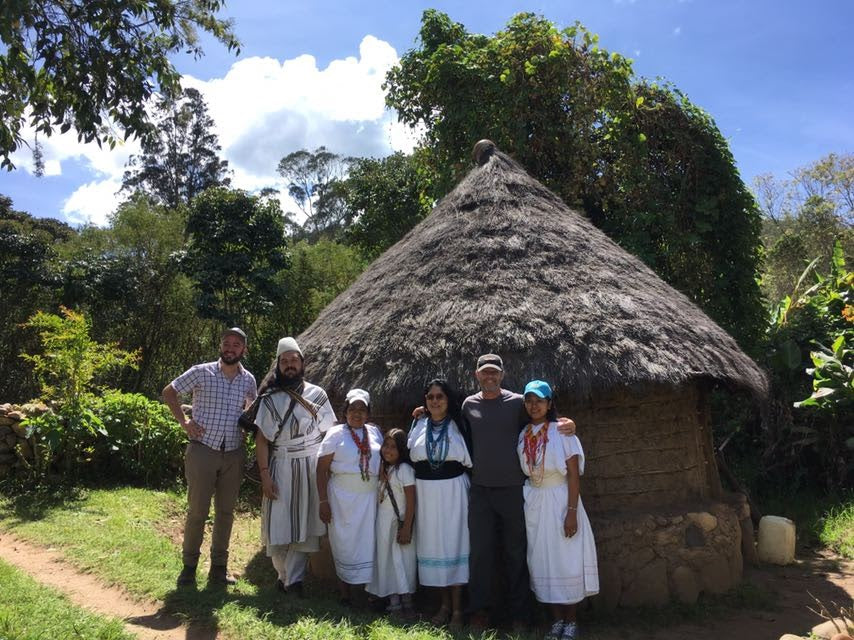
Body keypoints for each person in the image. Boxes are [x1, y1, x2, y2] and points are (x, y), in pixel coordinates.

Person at [463, 353, 576, 630]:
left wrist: (569, 422)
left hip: (514, 490)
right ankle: (480, 611)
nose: (490, 377)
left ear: (502, 375)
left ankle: (520, 616)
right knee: (480, 553)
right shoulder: (468, 405)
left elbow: (544, 418)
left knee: (516, 552)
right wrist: (420, 413)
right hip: (480, 490)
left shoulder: (517, 403)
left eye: (495, 373)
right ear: (477, 375)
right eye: (484, 372)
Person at [163, 327, 257, 587]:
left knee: (226, 513)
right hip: (203, 449)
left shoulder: (248, 380)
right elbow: (169, 391)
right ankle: (189, 568)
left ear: (243, 350)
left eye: (236, 345)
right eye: (227, 343)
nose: (231, 348)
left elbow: (252, 410)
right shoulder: (201, 371)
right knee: (197, 512)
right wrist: (184, 423)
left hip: (234, 453)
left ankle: (218, 569)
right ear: (220, 346)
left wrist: (247, 425)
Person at [255, 337, 336, 595]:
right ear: (278, 365)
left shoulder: (317, 394)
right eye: (285, 361)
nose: (290, 365)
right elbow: (262, 440)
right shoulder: (269, 398)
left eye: (294, 360)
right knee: (278, 525)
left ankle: (294, 581)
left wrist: (327, 471)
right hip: (281, 465)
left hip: (310, 467)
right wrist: (265, 475)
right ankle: (283, 575)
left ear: (302, 363)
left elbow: (330, 434)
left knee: (306, 525)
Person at [518, 380, 598, 640]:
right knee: (542, 560)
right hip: (535, 502)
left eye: (539, 400)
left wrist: (571, 511)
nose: (534, 405)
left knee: (566, 559)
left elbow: (574, 475)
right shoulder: (523, 435)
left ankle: (571, 621)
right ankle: (555, 621)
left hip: (561, 500)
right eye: (529, 400)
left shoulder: (564, 432)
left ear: (549, 403)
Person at [408, 378, 472, 630]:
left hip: (453, 491)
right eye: (430, 397)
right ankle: (444, 605)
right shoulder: (418, 425)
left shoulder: (460, 425)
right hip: (426, 494)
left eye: (440, 397)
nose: (435, 401)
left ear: (448, 400)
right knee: (435, 547)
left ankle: (457, 609)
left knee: (454, 545)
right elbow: (409, 455)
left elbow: (471, 457)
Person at [316, 388, 383, 605]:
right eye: (352, 409)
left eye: (362, 410)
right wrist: (323, 501)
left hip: (369, 500)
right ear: (345, 412)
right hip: (341, 500)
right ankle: (345, 594)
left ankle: (369, 593)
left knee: (370, 543)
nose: (357, 413)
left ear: (368, 413)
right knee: (343, 543)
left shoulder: (374, 433)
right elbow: (320, 469)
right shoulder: (336, 434)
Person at [366, 428, 417, 615]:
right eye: (385, 445)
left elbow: (411, 501)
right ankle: (393, 602)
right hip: (384, 525)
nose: (388, 450)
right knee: (387, 562)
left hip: (400, 524)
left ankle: (407, 602)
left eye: (393, 447)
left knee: (402, 563)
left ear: (401, 450)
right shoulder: (385, 470)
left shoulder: (405, 470)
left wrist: (407, 527)